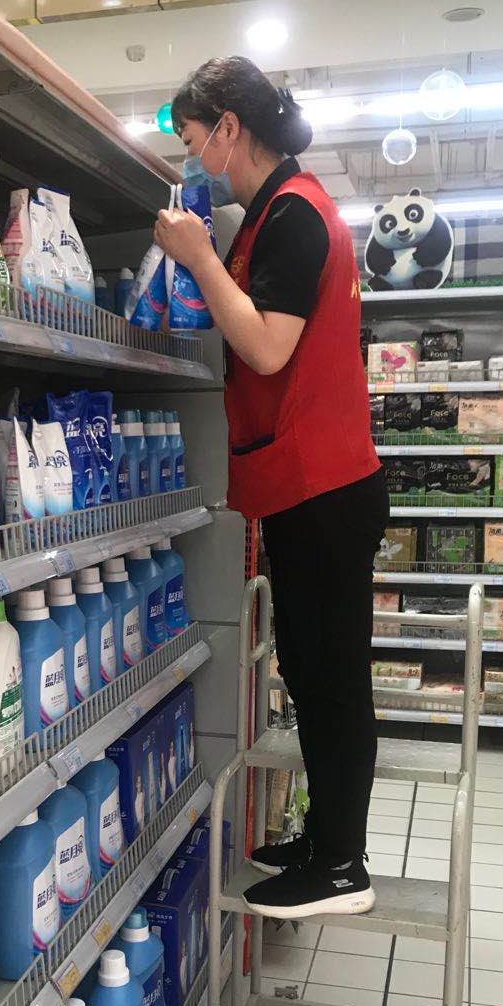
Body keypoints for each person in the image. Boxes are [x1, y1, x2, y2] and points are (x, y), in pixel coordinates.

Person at [154, 56, 388, 920]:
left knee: (332, 676)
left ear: (229, 127)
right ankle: (325, 839)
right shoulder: (275, 212)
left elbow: (265, 347)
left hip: (324, 487)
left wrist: (198, 257)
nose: (192, 156)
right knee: (310, 669)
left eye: (193, 138)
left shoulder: (293, 214)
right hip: (303, 486)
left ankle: (344, 867)